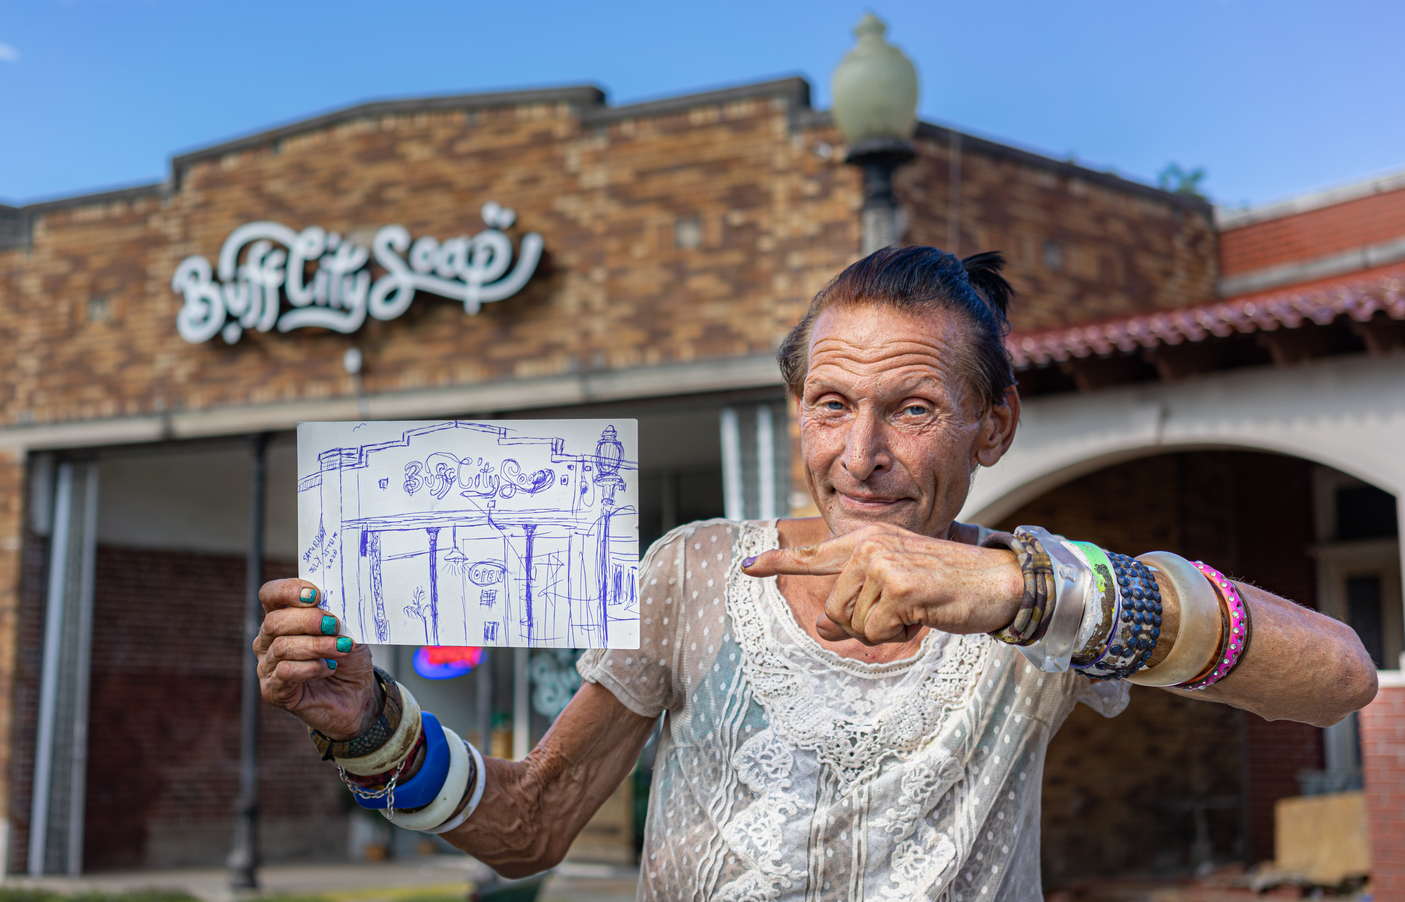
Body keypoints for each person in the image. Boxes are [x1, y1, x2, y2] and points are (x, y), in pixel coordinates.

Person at [254, 247, 1378, 901]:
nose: (861, 455)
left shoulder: (1039, 600)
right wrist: (373, 727)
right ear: (796, 409)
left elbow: (1335, 676)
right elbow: (532, 823)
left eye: (914, 409)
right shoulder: (694, 567)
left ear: (993, 427)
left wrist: (1019, 593)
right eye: (831, 404)